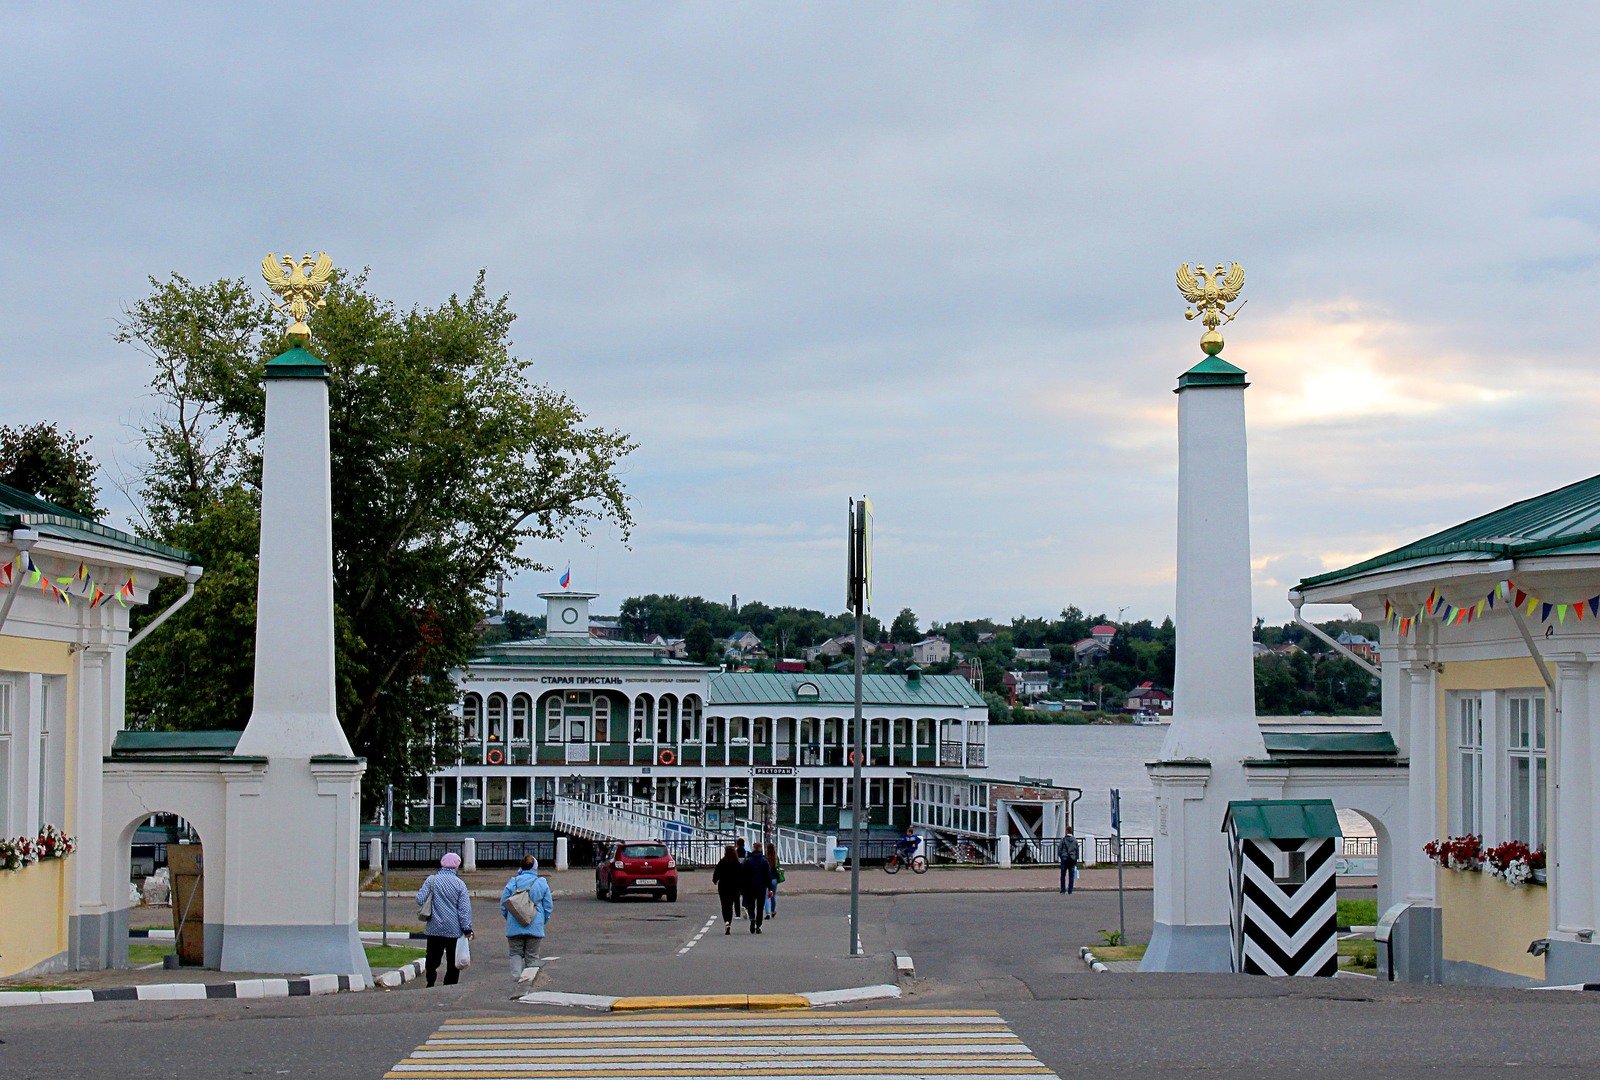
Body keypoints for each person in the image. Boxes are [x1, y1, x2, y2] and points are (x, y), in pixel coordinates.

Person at [417, 852, 473, 986]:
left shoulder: (432, 880)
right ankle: (449, 986)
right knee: (452, 960)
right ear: (457, 866)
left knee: (432, 959)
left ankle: (430, 981)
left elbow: (420, 899)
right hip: (454, 930)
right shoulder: (460, 884)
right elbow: (464, 909)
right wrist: (467, 928)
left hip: (434, 928)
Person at [500, 855, 554, 982]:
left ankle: (516, 979)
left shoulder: (513, 882)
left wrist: (511, 917)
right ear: (535, 867)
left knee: (515, 953)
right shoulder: (541, 882)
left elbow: (504, 904)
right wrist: (542, 921)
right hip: (535, 925)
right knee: (532, 956)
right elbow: (548, 907)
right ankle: (529, 981)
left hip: (514, 925)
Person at [741, 843, 773, 934]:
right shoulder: (764, 861)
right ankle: (758, 926)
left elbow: (743, 875)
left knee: (751, 905)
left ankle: (752, 919)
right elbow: (768, 876)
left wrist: (743, 887)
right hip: (761, 887)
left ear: (754, 848)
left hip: (750, 887)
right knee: (760, 907)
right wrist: (770, 888)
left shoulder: (748, 861)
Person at [712, 844, 743, 935]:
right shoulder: (737, 863)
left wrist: (715, 880)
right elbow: (741, 876)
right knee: (731, 905)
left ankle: (726, 921)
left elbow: (716, 874)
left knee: (724, 905)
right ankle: (729, 921)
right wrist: (741, 887)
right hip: (734, 887)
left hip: (723, 887)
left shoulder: (722, 862)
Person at [1059, 828, 1080, 895]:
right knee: (1071, 876)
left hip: (1064, 859)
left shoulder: (1063, 840)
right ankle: (1070, 890)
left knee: (1063, 875)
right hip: (1072, 859)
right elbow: (1077, 851)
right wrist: (1076, 859)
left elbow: (1059, 849)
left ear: (1066, 831)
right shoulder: (1075, 840)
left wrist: (1061, 856)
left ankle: (1063, 890)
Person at [764, 842, 781, 919]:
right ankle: (773, 910)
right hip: (774, 879)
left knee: (766, 896)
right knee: (773, 895)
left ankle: (767, 913)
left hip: (766, 878)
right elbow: (778, 868)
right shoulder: (776, 858)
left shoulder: (765, 858)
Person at [732, 837, 749, 916]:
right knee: (745, 893)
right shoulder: (746, 853)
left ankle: (737, 914)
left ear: (737, 844)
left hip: (736, 876)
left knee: (736, 895)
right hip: (745, 876)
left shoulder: (735, 853)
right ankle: (745, 905)